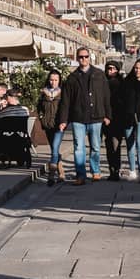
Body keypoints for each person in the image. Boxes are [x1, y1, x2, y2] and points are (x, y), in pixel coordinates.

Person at [61, 47, 111, 186]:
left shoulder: (99, 74)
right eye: (81, 57)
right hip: (78, 118)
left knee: (95, 147)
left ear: (90, 57)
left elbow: (106, 97)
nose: (84, 59)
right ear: (77, 59)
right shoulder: (72, 78)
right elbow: (66, 101)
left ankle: (95, 171)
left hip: (96, 117)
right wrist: (64, 120)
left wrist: (108, 115)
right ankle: (81, 175)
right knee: (78, 147)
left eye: (86, 56)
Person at [37, 70, 66, 185]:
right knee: (55, 150)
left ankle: (51, 175)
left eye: (55, 80)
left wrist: (64, 121)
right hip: (48, 124)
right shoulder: (44, 92)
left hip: (59, 125)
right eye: (51, 80)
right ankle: (62, 173)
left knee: (54, 148)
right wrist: (41, 117)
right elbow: (39, 107)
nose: (53, 82)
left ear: (59, 80)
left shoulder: (62, 93)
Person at [100, 62, 122, 178]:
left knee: (115, 145)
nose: (110, 70)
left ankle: (116, 170)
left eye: (113, 68)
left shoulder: (121, 83)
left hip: (117, 119)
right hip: (106, 119)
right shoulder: (103, 82)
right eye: (108, 68)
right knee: (109, 144)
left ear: (117, 70)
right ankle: (112, 169)